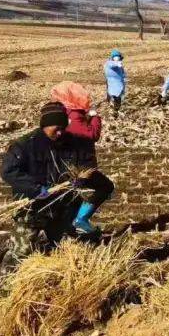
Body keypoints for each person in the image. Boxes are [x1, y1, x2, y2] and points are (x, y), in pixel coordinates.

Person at [0, 103, 81, 263]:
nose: (60, 132)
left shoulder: (68, 143)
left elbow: (78, 166)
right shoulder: (25, 145)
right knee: (22, 250)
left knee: (64, 247)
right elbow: (9, 172)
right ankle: (8, 280)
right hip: (31, 207)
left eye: (63, 128)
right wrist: (35, 188)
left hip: (59, 207)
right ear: (45, 125)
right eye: (56, 128)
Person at [49, 82, 114, 235]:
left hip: (66, 165)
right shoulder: (74, 115)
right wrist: (95, 118)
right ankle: (81, 219)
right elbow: (91, 135)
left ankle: (69, 226)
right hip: (81, 165)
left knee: (71, 194)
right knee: (105, 187)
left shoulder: (59, 115)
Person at [104, 49, 126, 116]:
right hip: (114, 87)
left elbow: (122, 74)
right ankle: (114, 113)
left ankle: (115, 112)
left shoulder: (119, 66)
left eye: (118, 57)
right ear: (112, 57)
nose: (117, 58)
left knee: (118, 100)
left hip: (118, 86)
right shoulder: (109, 63)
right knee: (115, 100)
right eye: (115, 57)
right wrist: (117, 63)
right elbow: (112, 64)